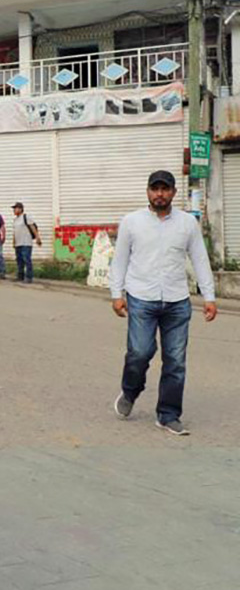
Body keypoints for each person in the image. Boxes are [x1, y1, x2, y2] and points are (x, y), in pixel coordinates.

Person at [108, 170, 217, 436]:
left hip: (177, 300)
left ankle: (168, 414)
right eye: (155, 189)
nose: (160, 194)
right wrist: (116, 294)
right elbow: (120, 259)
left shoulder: (187, 223)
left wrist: (209, 297)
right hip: (141, 297)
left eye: (165, 189)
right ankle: (131, 390)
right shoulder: (132, 221)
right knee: (139, 353)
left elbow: (200, 259)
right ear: (147, 191)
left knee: (176, 361)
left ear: (173, 193)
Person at [11, 202, 41, 283]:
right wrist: (14, 242)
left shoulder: (26, 217)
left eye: (15, 208)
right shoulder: (15, 220)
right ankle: (20, 276)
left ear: (20, 209)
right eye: (14, 208)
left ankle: (29, 277)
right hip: (18, 243)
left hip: (26, 243)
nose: (14, 210)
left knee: (27, 260)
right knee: (19, 260)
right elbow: (15, 232)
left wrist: (37, 238)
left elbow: (33, 228)